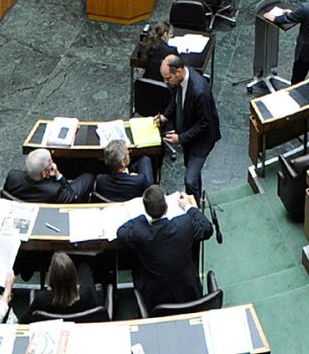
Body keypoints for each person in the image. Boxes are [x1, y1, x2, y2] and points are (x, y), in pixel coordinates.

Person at [116, 185, 215, 314]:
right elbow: (207, 228)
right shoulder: (184, 223)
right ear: (166, 206)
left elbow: (121, 232)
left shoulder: (140, 232)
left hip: (156, 298)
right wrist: (189, 207)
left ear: (146, 210)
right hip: (188, 291)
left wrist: (141, 218)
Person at [158, 56, 221, 197]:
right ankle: (195, 200)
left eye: (168, 78)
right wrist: (164, 117)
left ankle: (194, 209)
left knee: (190, 180)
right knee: (190, 170)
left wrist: (180, 138)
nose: (165, 82)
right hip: (188, 132)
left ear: (179, 71)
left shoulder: (200, 91)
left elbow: (205, 123)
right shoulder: (178, 81)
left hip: (201, 140)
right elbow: (175, 101)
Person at [28, 251, 102, 321]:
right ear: (74, 277)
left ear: (51, 278)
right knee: (84, 267)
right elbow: (97, 314)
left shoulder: (41, 300)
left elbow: (24, 322)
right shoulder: (87, 294)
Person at [5, 147, 89, 203]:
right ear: (44, 173)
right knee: (88, 178)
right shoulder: (54, 190)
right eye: (51, 161)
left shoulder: (12, 176)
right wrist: (59, 176)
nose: (53, 162)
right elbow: (72, 197)